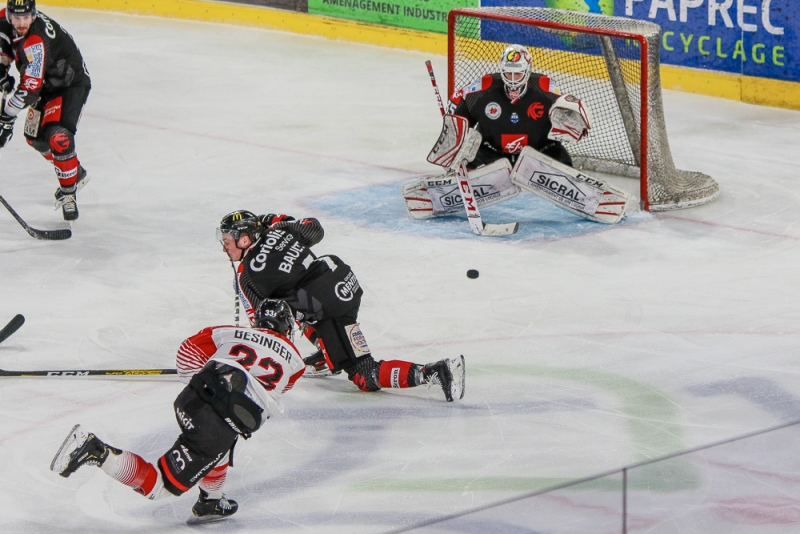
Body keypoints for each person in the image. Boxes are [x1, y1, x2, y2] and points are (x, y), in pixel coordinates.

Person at [51, 299, 306, 524]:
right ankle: (97, 451)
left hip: (191, 400)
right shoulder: (297, 362)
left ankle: (211, 501)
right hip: (214, 424)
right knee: (161, 486)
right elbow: (273, 389)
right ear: (287, 328)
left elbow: (188, 350)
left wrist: (199, 383)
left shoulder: (229, 332)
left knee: (222, 443)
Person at [217, 210, 465, 402]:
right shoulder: (279, 231)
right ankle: (328, 350)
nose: (224, 246)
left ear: (244, 239)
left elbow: (266, 330)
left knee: (363, 374)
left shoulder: (246, 277)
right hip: (343, 282)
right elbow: (314, 229)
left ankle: (437, 371)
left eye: (227, 240)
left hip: (329, 308)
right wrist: (277, 222)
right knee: (296, 304)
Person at [0, 0, 92, 221]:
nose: (21, 23)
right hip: (45, 84)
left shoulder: (36, 41)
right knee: (36, 139)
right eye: (17, 18)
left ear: (33, 15)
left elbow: (30, 89)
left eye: (26, 18)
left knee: (59, 137)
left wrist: (7, 116)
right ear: (9, 15)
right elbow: (5, 47)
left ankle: (69, 193)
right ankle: (74, 172)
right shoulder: (3, 20)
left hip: (69, 84)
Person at [447, 43, 591, 170]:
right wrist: (453, 126)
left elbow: (565, 105)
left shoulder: (544, 87)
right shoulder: (483, 87)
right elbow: (459, 100)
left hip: (539, 153)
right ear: (501, 70)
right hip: (491, 153)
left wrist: (574, 119)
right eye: (508, 73)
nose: (513, 79)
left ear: (527, 70)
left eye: (518, 73)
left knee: (562, 162)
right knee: (465, 160)